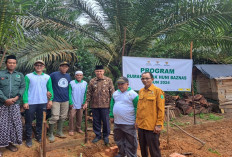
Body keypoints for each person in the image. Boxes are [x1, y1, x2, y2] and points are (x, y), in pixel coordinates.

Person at [23, 60, 53, 147]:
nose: (39, 66)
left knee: (40, 121)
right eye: (37, 65)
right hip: (31, 102)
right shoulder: (28, 76)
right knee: (28, 121)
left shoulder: (47, 77)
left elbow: (50, 89)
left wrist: (50, 100)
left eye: (41, 65)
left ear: (44, 67)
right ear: (34, 66)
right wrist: (25, 101)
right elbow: (25, 89)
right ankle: (28, 138)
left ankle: (38, 136)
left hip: (43, 102)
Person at [0, 55, 25, 156]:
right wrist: (5, 99)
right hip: (2, 104)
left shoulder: (19, 75)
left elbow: (23, 87)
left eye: (13, 63)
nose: (12, 64)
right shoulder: (0, 73)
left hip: (15, 104)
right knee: (2, 125)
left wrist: (16, 98)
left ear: (16, 64)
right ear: (6, 63)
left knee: (13, 124)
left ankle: (9, 144)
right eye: (10, 62)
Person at [135, 72, 165, 157]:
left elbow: (161, 109)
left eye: (147, 78)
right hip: (141, 126)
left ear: (152, 79)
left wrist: (159, 124)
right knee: (143, 149)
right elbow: (139, 108)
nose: (144, 80)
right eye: (143, 78)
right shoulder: (141, 91)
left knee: (154, 150)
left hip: (152, 127)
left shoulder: (158, 91)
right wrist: (137, 121)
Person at [109, 77, 138, 157]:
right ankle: (122, 153)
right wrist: (111, 115)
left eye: (122, 84)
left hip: (129, 123)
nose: (120, 86)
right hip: (117, 122)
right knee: (118, 139)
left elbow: (137, 108)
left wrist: (137, 120)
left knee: (131, 141)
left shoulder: (133, 94)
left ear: (127, 84)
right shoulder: (115, 93)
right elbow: (112, 105)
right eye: (118, 84)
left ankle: (131, 155)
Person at [86, 65, 115, 145]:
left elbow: (112, 92)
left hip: (105, 105)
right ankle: (98, 135)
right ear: (95, 72)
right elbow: (89, 93)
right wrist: (86, 102)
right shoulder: (92, 81)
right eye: (97, 71)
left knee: (106, 121)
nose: (99, 73)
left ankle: (106, 136)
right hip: (95, 105)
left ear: (103, 71)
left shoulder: (108, 80)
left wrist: (114, 103)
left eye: (100, 71)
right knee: (96, 121)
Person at [48, 61, 71, 142]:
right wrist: (48, 94)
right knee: (55, 116)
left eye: (66, 67)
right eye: (63, 66)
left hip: (65, 99)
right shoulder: (54, 74)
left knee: (63, 116)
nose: (64, 68)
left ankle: (59, 131)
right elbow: (48, 83)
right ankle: (50, 134)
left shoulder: (68, 76)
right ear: (60, 67)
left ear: (68, 68)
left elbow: (69, 88)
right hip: (55, 99)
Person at [68, 71, 87, 136]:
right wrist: (70, 102)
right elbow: (69, 93)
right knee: (72, 116)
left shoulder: (85, 83)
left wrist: (84, 102)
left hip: (81, 103)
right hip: (73, 103)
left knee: (80, 117)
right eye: (77, 75)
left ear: (82, 76)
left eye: (80, 75)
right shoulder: (71, 83)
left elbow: (86, 94)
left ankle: (78, 128)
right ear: (75, 76)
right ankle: (71, 129)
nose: (79, 76)